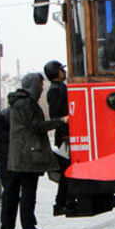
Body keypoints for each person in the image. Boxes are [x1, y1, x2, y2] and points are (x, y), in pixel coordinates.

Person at [8, 72, 67, 229]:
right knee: (28, 196)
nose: (42, 89)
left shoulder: (19, 102)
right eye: (40, 86)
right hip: (28, 157)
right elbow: (37, 127)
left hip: (21, 156)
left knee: (26, 195)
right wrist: (61, 121)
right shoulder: (27, 104)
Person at [44, 60, 72, 215]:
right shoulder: (56, 90)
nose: (64, 72)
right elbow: (57, 114)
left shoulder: (60, 87)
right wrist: (65, 132)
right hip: (64, 135)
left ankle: (66, 199)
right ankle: (61, 201)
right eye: (61, 70)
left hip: (64, 133)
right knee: (66, 169)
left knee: (67, 168)